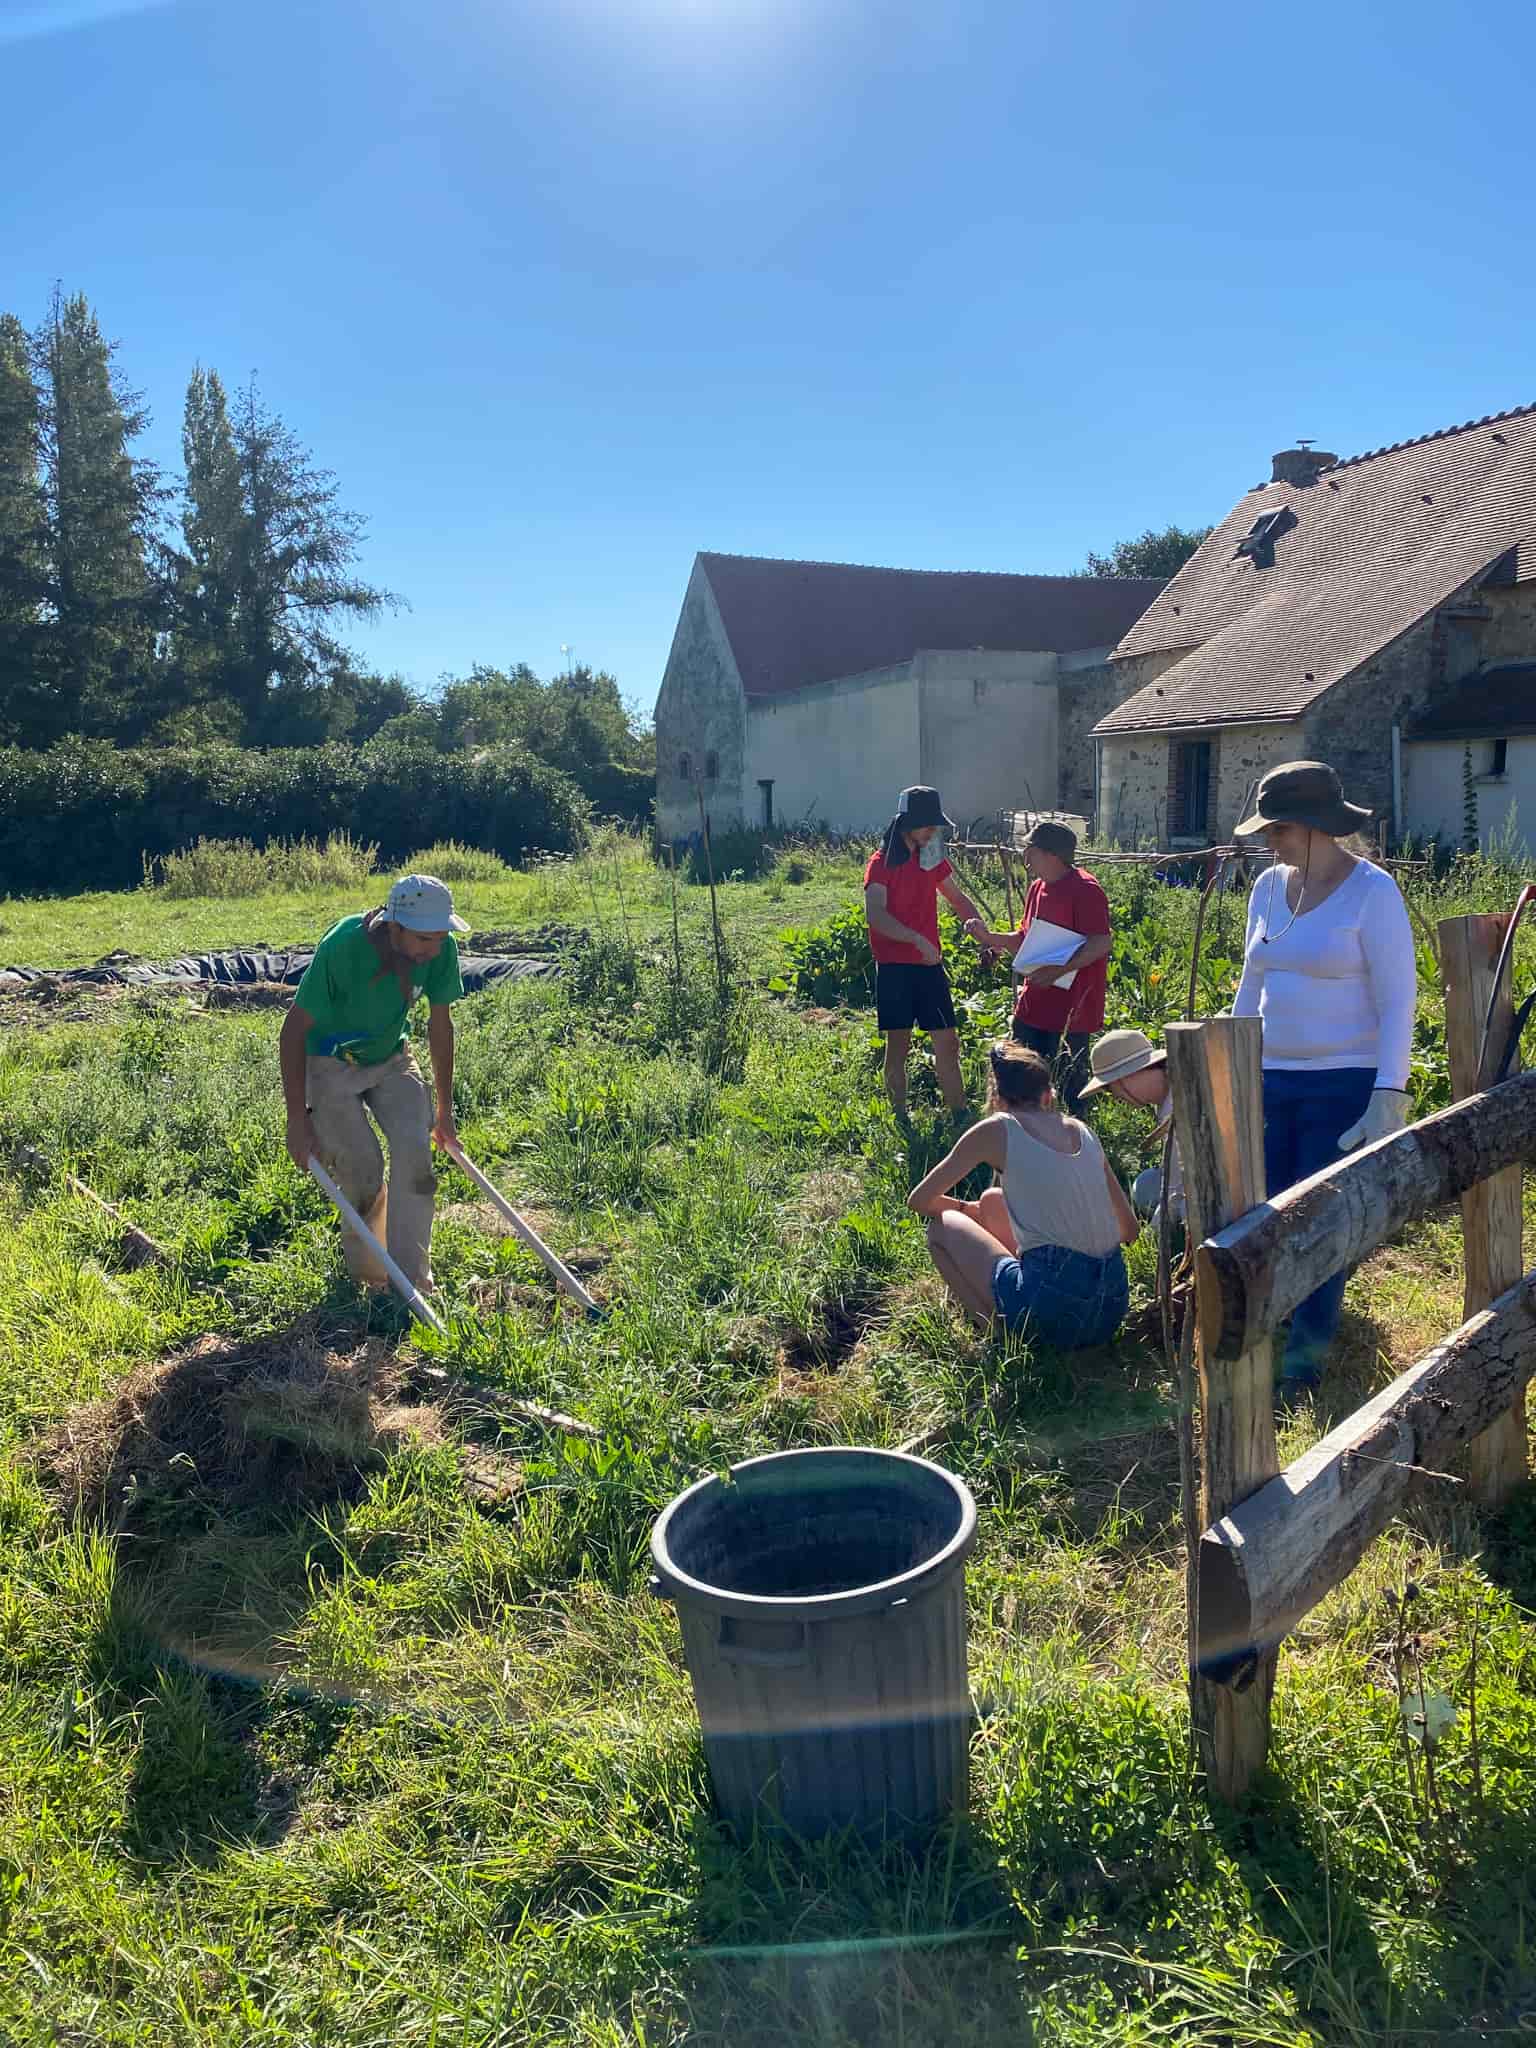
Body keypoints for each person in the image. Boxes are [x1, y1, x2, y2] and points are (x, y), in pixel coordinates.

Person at [1232, 761, 1418, 1399]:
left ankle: (1302, 1364)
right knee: (1270, 1208)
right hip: (1269, 1075)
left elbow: (1399, 1000)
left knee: (1320, 1218)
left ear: (1312, 826)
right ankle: (1279, 1323)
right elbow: (1251, 982)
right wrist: (1230, 1061)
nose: (1268, 842)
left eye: (1277, 829)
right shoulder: (1266, 888)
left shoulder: (1372, 893)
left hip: (1341, 1080)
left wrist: (1387, 1093)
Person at [281, 873, 468, 1295]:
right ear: (394, 926)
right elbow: (293, 1030)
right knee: (362, 1170)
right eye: (424, 939)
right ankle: (372, 1280)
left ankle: (412, 1282)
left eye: (441, 938)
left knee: (415, 1154)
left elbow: (441, 1027)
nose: (433, 950)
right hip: (329, 1062)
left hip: (391, 1058)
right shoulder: (344, 948)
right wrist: (297, 1120)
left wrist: (444, 1110)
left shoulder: (439, 950)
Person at [908, 1042, 1137, 1347]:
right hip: (1111, 1308)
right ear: (1048, 1095)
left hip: (1052, 1312)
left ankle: (999, 1338)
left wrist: (964, 1209)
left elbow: (920, 1201)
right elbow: (1130, 1230)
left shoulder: (998, 1129)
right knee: (992, 1200)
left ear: (998, 1099)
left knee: (939, 1228)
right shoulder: (1081, 1130)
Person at [863, 785, 991, 1117]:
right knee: (898, 1047)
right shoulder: (880, 864)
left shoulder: (930, 854)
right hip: (894, 967)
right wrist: (916, 940)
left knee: (948, 1043)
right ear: (906, 823)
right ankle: (900, 1117)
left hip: (928, 966)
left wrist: (984, 936)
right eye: (927, 824)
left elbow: (957, 898)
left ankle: (960, 1115)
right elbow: (875, 915)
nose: (933, 830)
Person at [972, 821, 1111, 1116]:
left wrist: (1058, 970)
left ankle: (1073, 1145)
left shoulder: (1086, 890)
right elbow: (1026, 937)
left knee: (1069, 1082)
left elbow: (1100, 943)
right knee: (1019, 1074)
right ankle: (1022, 1134)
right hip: (1036, 1000)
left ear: (1052, 855)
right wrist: (990, 938)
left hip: (1072, 1007)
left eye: (1030, 851)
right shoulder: (1037, 888)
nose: (1026, 858)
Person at [1079, 1027, 1184, 1222]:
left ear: (1125, 1078)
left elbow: (1176, 1190)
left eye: (1109, 1089)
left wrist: (1150, 1240)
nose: (1115, 1097)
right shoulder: (1167, 1096)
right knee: (1146, 1185)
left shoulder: (1178, 1106)